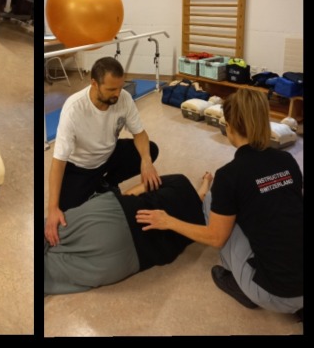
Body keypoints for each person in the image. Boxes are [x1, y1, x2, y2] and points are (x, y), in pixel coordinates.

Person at [136, 89, 303, 320]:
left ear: (230, 127)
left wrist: (168, 221)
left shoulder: (229, 175)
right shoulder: (288, 161)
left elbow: (215, 238)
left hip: (276, 294)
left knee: (215, 202)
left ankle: (239, 283)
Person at [45, 56, 161, 246]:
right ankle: (96, 183)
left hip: (109, 154)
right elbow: (58, 161)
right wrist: (52, 209)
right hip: (81, 166)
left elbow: (140, 134)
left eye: (120, 87)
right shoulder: (74, 109)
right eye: (111, 89)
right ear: (94, 84)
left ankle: (107, 182)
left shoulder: (122, 98)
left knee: (151, 150)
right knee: (68, 213)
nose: (117, 93)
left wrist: (146, 162)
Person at [44, 173, 211, 295]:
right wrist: (206, 184)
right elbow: (200, 198)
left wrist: (120, 200)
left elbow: (143, 187)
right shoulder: (199, 225)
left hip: (117, 215)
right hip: (131, 259)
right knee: (50, 274)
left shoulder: (180, 181)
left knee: (50, 231)